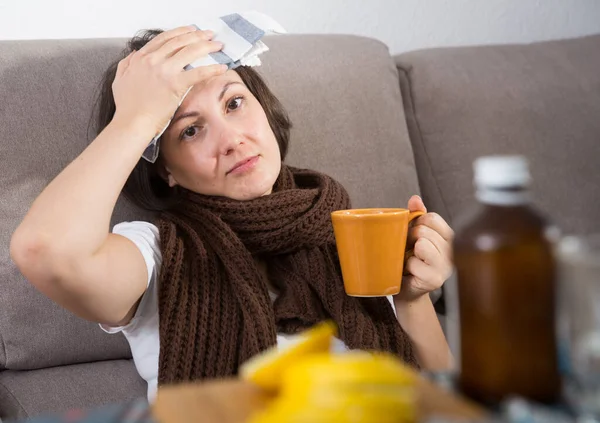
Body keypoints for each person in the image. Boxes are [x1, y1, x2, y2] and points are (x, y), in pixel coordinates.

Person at [10, 26, 454, 402]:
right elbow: (46, 250)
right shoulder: (155, 253)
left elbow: (442, 401)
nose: (231, 140)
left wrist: (413, 300)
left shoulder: (348, 231)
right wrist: (135, 118)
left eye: (234, 104)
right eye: (190, 130)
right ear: (166, 169)